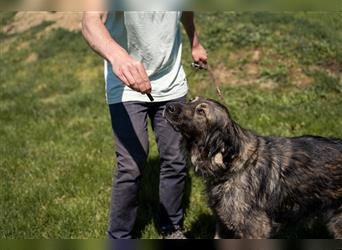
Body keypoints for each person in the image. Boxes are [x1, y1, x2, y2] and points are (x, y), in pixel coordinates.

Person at [82, 11, 207, 239]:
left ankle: (171, 228)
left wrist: (195, 42)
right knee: (131, 166)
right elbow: (90, 20)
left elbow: (185, 12)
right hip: (126, 83)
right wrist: (118, 56)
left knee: (176, 159)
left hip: (171, 84)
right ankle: (119, 237)